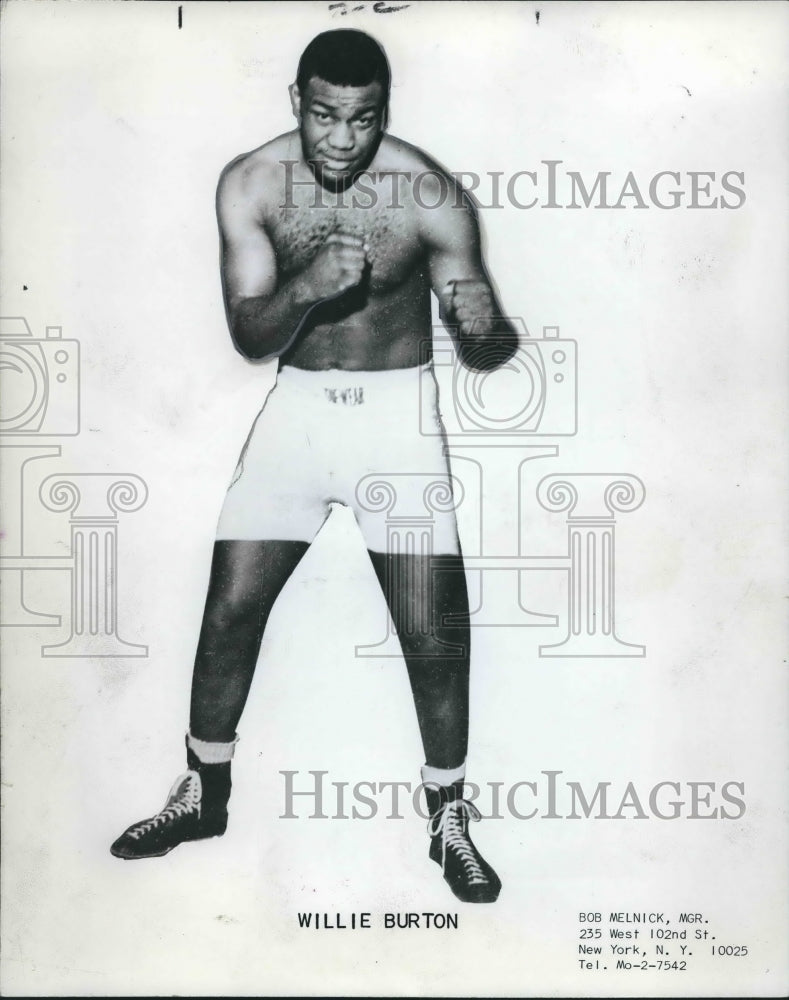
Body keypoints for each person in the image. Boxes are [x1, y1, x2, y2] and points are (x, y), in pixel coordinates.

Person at [111, 28, 518, 905]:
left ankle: (448, 815)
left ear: (385, 112)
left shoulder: (427, 192)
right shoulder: (251, 183)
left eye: (363, 119)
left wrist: (484, 328)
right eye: (327, 116)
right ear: (297, 101)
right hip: (296, 412)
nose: (343, 138)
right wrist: (303, 289)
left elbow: (482, 340)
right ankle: (203, 791)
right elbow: (250, 337)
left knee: (432, 631)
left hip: (395, 420)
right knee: (229, 609)